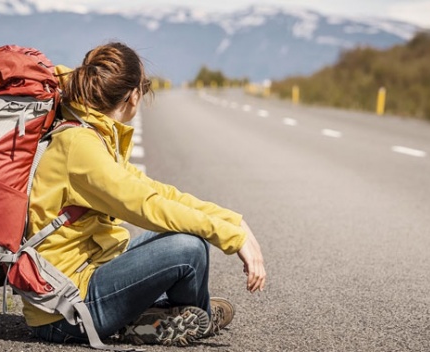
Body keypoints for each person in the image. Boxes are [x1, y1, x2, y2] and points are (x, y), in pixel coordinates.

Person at [25, 41, 267, 347]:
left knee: (192, 241)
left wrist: (232, 222)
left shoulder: (91, 132)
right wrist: (231, 238)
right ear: (133, 95)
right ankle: (188, 318)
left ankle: (166, 318)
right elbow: (145, 205)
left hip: (87, 278)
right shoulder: (80, 145)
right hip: (65, 310)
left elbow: (155, 191)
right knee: (188, 249)